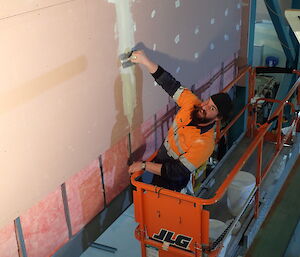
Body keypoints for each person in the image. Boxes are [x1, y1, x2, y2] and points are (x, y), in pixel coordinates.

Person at [128, 50, 233, 193]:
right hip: (160, 163)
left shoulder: (205, 144)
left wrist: (144, 165)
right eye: (208, 101)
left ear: (218, 118)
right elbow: (169, 84)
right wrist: (145, 61)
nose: (204, 106)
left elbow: (176, 172)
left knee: (162, 209)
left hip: (174, 183)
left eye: (211, 108)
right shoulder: (192, 103)